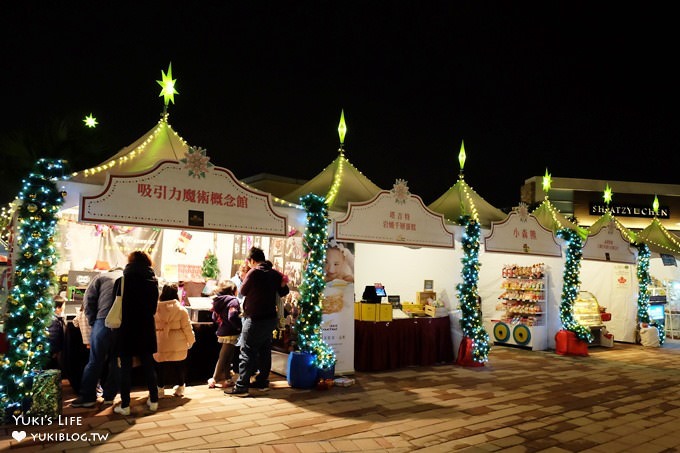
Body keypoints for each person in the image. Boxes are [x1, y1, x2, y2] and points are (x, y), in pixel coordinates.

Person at [228, 247, 289, 397]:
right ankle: (262, 381)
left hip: (254, 318)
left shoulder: (254, 272)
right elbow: (284, 291)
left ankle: (242, 386)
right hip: (270, 318)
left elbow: (242, 291)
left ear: (252, 260)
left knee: (246, 350)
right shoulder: (274, 274)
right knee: (264, 350)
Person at [113, 251, 160, 416]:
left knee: (125, 367)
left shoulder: (122, 281)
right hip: (146, 327)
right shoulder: (153, 282)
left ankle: (125, 405)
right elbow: (154, 309)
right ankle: (154, 401)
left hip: (126, 328)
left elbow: (116, 306)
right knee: (148, 364)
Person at [70, 267, 123, 408]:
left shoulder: (101, 277)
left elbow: (88, 300)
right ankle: (109, 397)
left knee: (95, 361)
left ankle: (88, 397)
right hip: (122, 325)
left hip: (103, 321)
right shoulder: (129, 279)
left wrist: (93, 320)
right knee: (117, 362)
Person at [154, 283, 195, 398]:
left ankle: (160, 389)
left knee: (160, 366)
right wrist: (191, 340)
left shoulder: (156, 309)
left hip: (161, 342)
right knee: (179, 365)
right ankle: (180, 388)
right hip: (178, 343)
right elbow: (187, 327)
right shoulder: (181, 310)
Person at [208, 280, 242, 389]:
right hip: (231, 332)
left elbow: (214, 317)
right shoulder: (233, 301)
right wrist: (237, 326)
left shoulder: (218, 301)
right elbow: (232, 316)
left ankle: (228, 378)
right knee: (223, 356)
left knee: (228, 356)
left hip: (222, 331)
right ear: (233, 290)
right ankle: (214, 378)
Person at [47, 295, 66, 371]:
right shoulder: (54, 321)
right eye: (63, 306)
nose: (64, 308)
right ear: (57, 308)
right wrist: (54, 351)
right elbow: (53, 337)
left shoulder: (51, 318)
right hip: (51, 353)